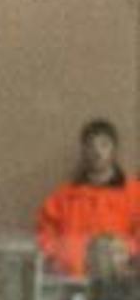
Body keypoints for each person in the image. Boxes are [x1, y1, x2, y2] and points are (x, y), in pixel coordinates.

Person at [35, 117, 140, 278]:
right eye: (91, 145)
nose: (97, 152)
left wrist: (126, 253)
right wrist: (60, 258)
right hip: (72, 281)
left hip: (121, 282)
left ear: (114, 149)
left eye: (104, 145)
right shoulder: (62, 198)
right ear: (83, 151)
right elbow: (45, 235)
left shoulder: (134, 194)